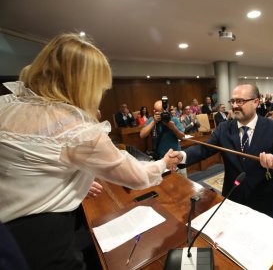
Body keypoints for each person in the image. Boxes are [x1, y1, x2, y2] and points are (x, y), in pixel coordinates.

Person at [0, 33, 182, 270]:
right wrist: (163, 164)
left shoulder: (6, 106)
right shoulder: (76, 128)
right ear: (85, 84)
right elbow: (137, 177)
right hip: (42, 240)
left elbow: (35, 168)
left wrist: (75, 180)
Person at [178, 84, 273, 223]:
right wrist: (181, 156)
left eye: (240, 101)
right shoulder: (223, 128)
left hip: (267, 203)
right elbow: (204, 149)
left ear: (256, 102)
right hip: (233, 200)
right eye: (233, 101)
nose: (235, 106)